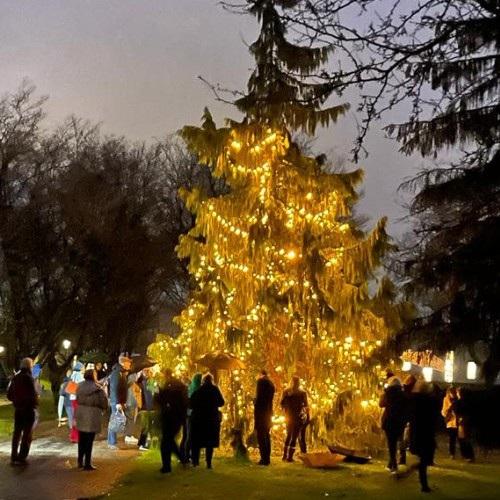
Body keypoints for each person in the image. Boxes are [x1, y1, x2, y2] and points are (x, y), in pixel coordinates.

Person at [409, 379, 440, 493]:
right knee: (425, 459)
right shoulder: (430, 401)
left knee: (424, 459)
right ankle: (424, 485)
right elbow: (434, 416)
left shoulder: (413, 400)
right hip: (426, 433)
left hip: (416, 432)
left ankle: (423, 484)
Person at [155, 368, 189, 473]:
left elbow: (162, 400)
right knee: (169, 441)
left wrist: (157, 393)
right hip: (177, 418)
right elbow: (184, 402)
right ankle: (181, 460)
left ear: (166, 375)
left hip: (169, 417)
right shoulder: (180, 386)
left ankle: (167, 466)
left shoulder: (168, 387)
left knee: (166, 442)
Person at [7, 358, 39, 465]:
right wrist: (35, 403)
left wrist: (16, 400)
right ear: (30, 366)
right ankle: (22, 456)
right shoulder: (29, 378)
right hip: (28, 409)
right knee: (27, 433)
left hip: (18, 409)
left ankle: (14, 455)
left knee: (17, 433)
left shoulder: (15, 378)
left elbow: (9, 394)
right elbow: (33, 394)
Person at [75, 369, 108, 470]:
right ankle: (87, 463)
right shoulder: (97, 388)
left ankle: (80, 461)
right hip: (92, 414)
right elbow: (103, 402)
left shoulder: (79, 386)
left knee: (81, 439)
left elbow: (77, 398)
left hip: (81, 413)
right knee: (89, 440)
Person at [190, 372, 225, 469]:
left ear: (203, 381)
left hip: (199, 419)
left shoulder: (199, 390)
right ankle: (208, 463)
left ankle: (195, 462)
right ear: (211, 380)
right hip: (212, 419)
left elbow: (191, 403)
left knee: (197, 441)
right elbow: (221, 402)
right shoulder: (215, 390)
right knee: (210, 442)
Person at [379, 376, 408, 472]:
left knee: (391, 443)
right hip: (400, 421)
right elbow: (407, 407)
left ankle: (393, 464)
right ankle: (393, 463)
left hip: (389, 420)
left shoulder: (387, 394)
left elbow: (381, 404)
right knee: (398, 441)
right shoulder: (404, 395)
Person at [281, 375, 308, 462]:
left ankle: (285, 455)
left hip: (288, 416)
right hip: (297, 416)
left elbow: (282, 404)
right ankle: (289, 457)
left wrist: (285, 410)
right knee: (294, 436)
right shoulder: (302, 393)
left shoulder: (286, 391)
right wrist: (306, 416)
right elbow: (306, 405)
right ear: (299, 382)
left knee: (289, 435)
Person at [107, 355, 131, 448]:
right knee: (115, 420)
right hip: (116, 401)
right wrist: (117, 402)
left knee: (115, 420)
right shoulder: (117, 373)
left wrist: (123, 401)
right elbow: (114, 388)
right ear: (124, 363)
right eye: (128, 363)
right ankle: (112, 442)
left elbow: (122, 388)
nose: (130, 365)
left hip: (119, 401)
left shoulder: (121, 372)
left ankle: (112, 441)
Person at [254, 370, 275, 465]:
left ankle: (263, 459)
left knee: (261, 436)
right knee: (266, 434)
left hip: (261, 413)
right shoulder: (271, 384)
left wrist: (255, 402)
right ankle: (267, 458)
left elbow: (259, 398)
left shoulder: (261, 382)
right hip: (268, 412)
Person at [182, 372, 202, 461]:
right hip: (196, 415)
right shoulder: (200, 390)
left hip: (189, 414)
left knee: (188, 435)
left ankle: (187, 455)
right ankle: (193, 456)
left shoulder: (190, 388)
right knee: (194, 436)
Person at [453, 387, 475, 462]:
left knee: (463, 439)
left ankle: (467, 455)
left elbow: (456, 411)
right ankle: (468, 455)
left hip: (462, 421)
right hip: (467, 421)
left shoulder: (459, 402)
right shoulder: (468, 401)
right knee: (466, 438)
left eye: (457, 392)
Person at [137, 368, 155, 451]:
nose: (148, 372)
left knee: (148, 426)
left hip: (149, 407)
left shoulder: (149, 381)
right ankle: (142, 444)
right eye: (146, 371)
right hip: (146, 407)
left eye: (148, 371)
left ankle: (143, 443)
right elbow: (150, 393)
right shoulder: (144, 382)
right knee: (146, 426)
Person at [69, 361, 84, 443]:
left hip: (72, 398)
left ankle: (73, 436)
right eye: (83, 367)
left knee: (75, 417)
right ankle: (77, 437)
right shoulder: (79, 376)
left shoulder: (73, 375)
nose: (84, 369)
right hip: (78, 398)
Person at [441, 386, 459, 459]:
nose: (452, 394)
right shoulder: (446, 399)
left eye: (453, 392)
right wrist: (447, 412)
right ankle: (452, 453)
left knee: (461, 438)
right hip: (450, 421)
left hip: (458, 421)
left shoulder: (458, 399)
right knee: (452, 438)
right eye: (451, 392)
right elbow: (443, 411)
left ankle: (466, 454)